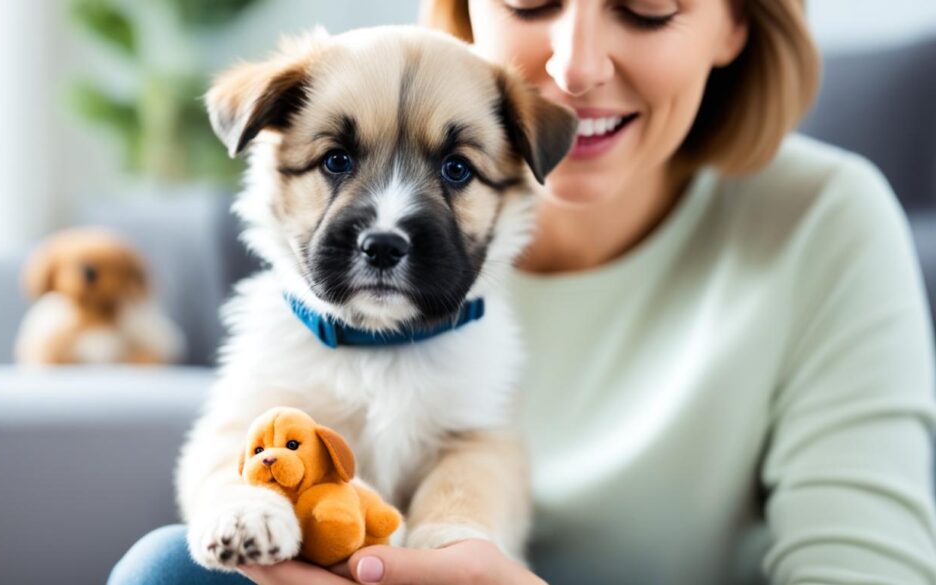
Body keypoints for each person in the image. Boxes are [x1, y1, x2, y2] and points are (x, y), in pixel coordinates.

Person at [109, 1, 936, 583]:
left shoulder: (824, 223)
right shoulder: (306, 296)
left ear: (738, 21)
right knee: (168, 569)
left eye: (647, 9)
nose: (575, 66)